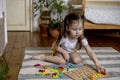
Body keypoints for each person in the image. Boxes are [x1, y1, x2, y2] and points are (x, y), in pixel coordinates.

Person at [32, 13, 106, 74]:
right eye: (74, 29)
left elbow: (90, 51)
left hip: (71, 52)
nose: (77, 32)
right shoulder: (64, 37)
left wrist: (98, 64)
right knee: (62, 62)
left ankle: (66, 59)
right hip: (60, 50)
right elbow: (54, 46)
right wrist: (64, 53)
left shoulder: (82, 38)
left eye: (80, 29)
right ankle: (44, 57)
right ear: (67, 28)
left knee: (77, 60)